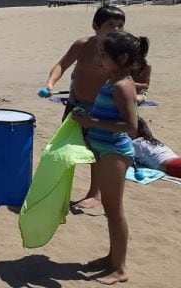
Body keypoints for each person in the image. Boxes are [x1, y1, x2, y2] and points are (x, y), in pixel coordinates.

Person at [72, 30, 147, 285]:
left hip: (115, 152)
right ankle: (112, 257)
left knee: (115, 211)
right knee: (109, 210)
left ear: (122, 57)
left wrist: (92, 121)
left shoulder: (121, 85)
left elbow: (131, 125)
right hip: (105, 150)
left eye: (103, 55)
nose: (98, 59)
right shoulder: (112, 80)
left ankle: (121, 268)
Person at [41, 5, 125, 209]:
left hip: (99, 109)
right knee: (65, 147)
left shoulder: (119, 52)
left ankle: (94, 194)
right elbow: (61, 65)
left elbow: (131, 78)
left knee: (96, 151)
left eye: (120, 26)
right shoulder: (83, 44)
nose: (115, 30)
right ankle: (60, 190)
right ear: (96, 26)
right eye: (110, 25)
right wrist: (50, 83)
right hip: (74, 103)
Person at [130, 38, 151, 104]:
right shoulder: (129, 65)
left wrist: (132, 84)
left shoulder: (147, 66)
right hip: (130, 89)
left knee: (136, 99)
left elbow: (146, 86)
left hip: (142, 93)